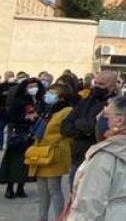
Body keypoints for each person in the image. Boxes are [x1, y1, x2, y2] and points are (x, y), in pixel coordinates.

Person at [64, 95, 126, 221]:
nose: (99, 118)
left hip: (109, 214)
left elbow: (90, 204)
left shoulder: (105, 155)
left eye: (105, 114)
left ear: (119, 121)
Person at [26, 82, 75, 221]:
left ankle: (59, 218)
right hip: (40, 152)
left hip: (54, 154)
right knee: (42, 190)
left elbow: (68, 134)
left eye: (53, 93)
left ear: (62, 97)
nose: (48, 95)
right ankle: (42, 217)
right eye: (49, 92)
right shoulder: (47, 110)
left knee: (54, 189)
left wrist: (58, 144)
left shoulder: (66, 111)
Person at [62, 70, 118, 188]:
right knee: (74, 192)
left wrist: (79, 124)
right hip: (78, 156)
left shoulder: (115, 105)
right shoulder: (85, 101)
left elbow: (94, 128)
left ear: (112, 87)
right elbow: (65, 126)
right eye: (96, 83)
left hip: (98, 158)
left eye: (102, 84)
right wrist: (83, 128)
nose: (97, 86)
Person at [0, 76, 42, 198]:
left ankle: (21, 187)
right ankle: (10, 187)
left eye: (35, 86)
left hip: (32, 134)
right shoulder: (20, 100)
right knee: (14, 162)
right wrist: (24, 118)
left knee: (26, 163)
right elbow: (10, 117)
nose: (34, 89)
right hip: (19, 134)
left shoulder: (38, 101)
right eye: (30, 87)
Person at [0, 71, 15, 150]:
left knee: (11, 129)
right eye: (8, 76)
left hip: (12, 111)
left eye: (11, 76)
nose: (10, 77)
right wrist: (5, 94)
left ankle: (10, 144)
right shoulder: (0, 86)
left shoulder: (16, 86)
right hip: (2, 110)